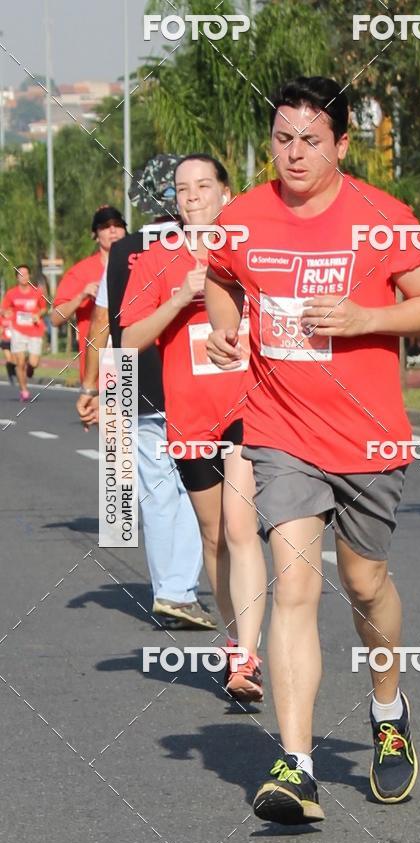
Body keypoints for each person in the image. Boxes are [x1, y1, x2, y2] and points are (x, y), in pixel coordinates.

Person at [204, 76, 420, 824]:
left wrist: (362, 316)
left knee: (366, 583)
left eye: (311, 140)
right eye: (283, 139)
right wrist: (224, 323)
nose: (295, 153)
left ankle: (388, 710)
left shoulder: (382, 218)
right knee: (295, 586)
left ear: (341, 144)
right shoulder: (243, 217)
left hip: (367, 435)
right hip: (281, 433)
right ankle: (297, 765)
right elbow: (222, 279)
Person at [120, 154, 267, 702]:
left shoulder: (249, 248)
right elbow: (130, 339)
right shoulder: (157, 257)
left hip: (248, 408)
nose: (193, 196)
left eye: (204, 186)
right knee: (213, 538)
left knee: (238, 526)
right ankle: (235, 646)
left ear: (225, 193)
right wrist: (183, 294)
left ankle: (248, 658)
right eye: (183, 189)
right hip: (188, 415)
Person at [76, 155, 215, 631]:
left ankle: (170, 592)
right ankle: (181, 590)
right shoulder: (198, 246)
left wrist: (95, 387)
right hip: (191, 381)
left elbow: (103, 324)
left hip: (134, 382)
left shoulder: (121, 253)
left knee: (158, 493)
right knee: (198, 490)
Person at [51, 206, 127, 380]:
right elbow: (55, 318)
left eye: (118, 224)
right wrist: (82, 296)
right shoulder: (80, 272)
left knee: (127, 406)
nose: (113, 230)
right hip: (98, 364)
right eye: (106, 226)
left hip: (131, 359)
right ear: (95, 235)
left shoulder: (140, 264)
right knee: (107, 407)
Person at [1, 265, 47, 401]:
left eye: (26, 274)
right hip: (18, 331)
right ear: (17, 277)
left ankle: (30, 368)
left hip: (35, 330)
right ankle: (24, 390)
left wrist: (38, 315)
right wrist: (6, 312)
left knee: (33, 363)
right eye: (21, 274)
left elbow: (44, 309)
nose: (24, 277)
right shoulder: (11, 293)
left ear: (29, 276)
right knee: (19, 363)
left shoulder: (37, 292)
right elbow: (3, 309)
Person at [0, 304, 16, 385]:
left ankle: (13, 372)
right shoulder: (1, 318)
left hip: (14, 341)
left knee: (14, 360)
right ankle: (11, 375)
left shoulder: (13, 317)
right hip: (5, 341)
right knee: (8, 359)